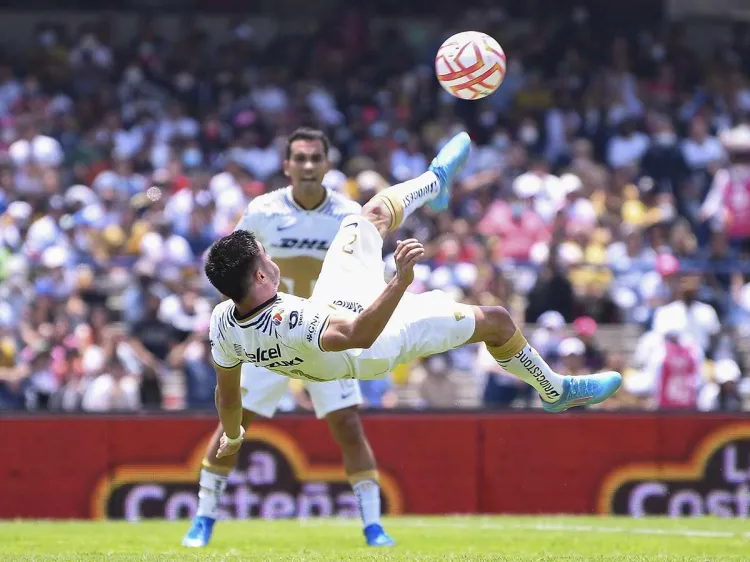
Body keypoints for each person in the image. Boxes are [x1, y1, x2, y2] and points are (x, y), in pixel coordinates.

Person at [203, 132, 622, 466]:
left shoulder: (224, 320)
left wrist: (235, 434)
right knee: (495, 319)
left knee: (365, 218)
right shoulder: (289, 319)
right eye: (266, 257)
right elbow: (361, 334)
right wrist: (400, 282)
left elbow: (228, 394)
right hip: (374, 344)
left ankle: (435, 182)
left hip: (334, 302)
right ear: (260, 275)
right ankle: (554, 391)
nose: (272, 258)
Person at [183, 128, 395, 548]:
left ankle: (373, 527)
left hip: (324, 331)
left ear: (327, 164)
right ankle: (204, 518)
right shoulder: (263, 211)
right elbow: (229, 264)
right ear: (287, 166)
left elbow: (366, 268)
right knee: (235, 423)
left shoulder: (348, 212)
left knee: (348, 425)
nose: (308, 166)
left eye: (316, 157)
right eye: (300, 158)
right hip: (268, 332)